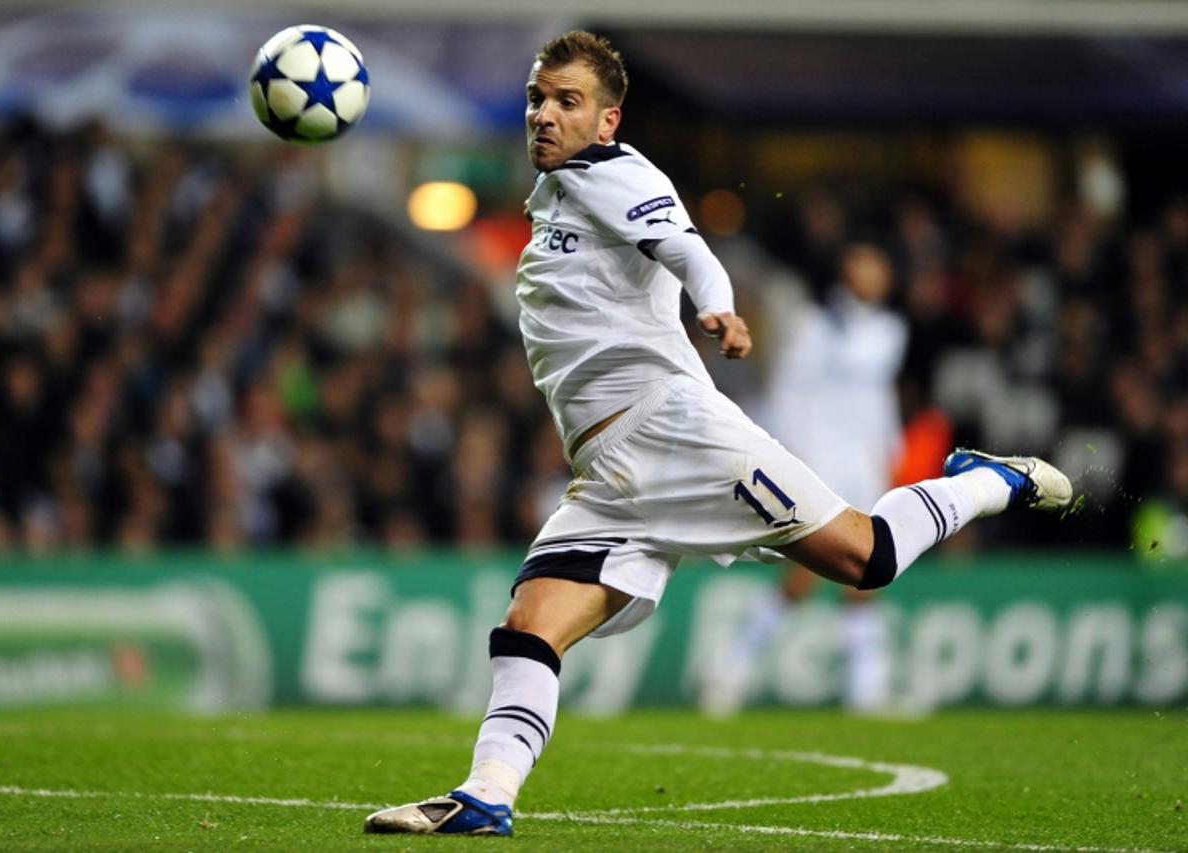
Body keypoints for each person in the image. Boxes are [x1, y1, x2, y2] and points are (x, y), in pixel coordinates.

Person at [364, 30, 1072, 837]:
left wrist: (717, 305)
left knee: (864, 559)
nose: (544, 115)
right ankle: (487, 794)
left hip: (676, 433)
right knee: (529, 623)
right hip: (609, 473)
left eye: (567, 101)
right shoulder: (555, 195)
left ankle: (988, 480)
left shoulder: (613, 171)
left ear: (607, 120)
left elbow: (686, 247)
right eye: (536, 98)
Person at [700, 243, 908, 716]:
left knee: (869, 573)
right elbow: (789, 391)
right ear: (847, 269)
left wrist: (890, 450)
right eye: (865, 264)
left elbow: (880, 397)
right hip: (822, 461)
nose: (873, 274)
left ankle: (866, 691)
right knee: (807, 575)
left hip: (864, 463)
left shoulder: (890, 329)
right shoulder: (816, 325)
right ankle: (731, 669)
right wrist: (793, 453)